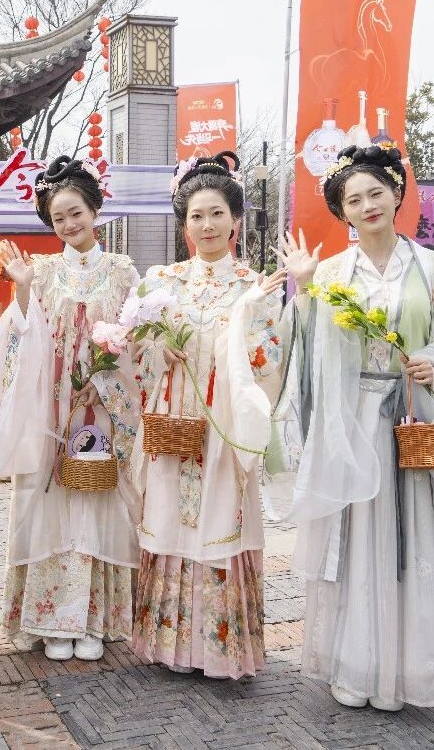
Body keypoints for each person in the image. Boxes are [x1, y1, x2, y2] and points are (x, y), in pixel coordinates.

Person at [272, 145, 434, 711]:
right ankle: (358, 666)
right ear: (341, 211)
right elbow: (308, 354)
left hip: (414, 419)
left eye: (375, 193)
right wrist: (305, 291)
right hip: (353, 421)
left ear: (396, 194)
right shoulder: (332, 273)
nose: (367, 206)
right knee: (358, 537)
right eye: (353, 200)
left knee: (416, 536)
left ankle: (409, 670)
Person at [129, 153, 286, 679]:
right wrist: (159, 349)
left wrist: (238, 350)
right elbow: (134, 346)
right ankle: (168, 644)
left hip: (223, 423)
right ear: (184, 224)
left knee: (222, 517)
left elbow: (270, 356)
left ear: (236, 219)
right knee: (168, 515)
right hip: (173, 418)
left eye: (217, 213)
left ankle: (219, 649)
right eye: (197, 216)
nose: (208, 225)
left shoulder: (254, 286)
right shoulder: (161, 281)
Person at [0, 155, 141, 663]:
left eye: (76, 212)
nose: (70, 224)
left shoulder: (122, 272)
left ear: (95, 210)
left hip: (102, 407)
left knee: (98, 500)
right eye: (59, 218)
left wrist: (104, 383)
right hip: (51, 409)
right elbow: (17, 337)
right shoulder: (43, 271)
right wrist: (22, 289)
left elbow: (137, 343)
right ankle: (52, 619)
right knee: (47, 499)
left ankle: (93, 619)